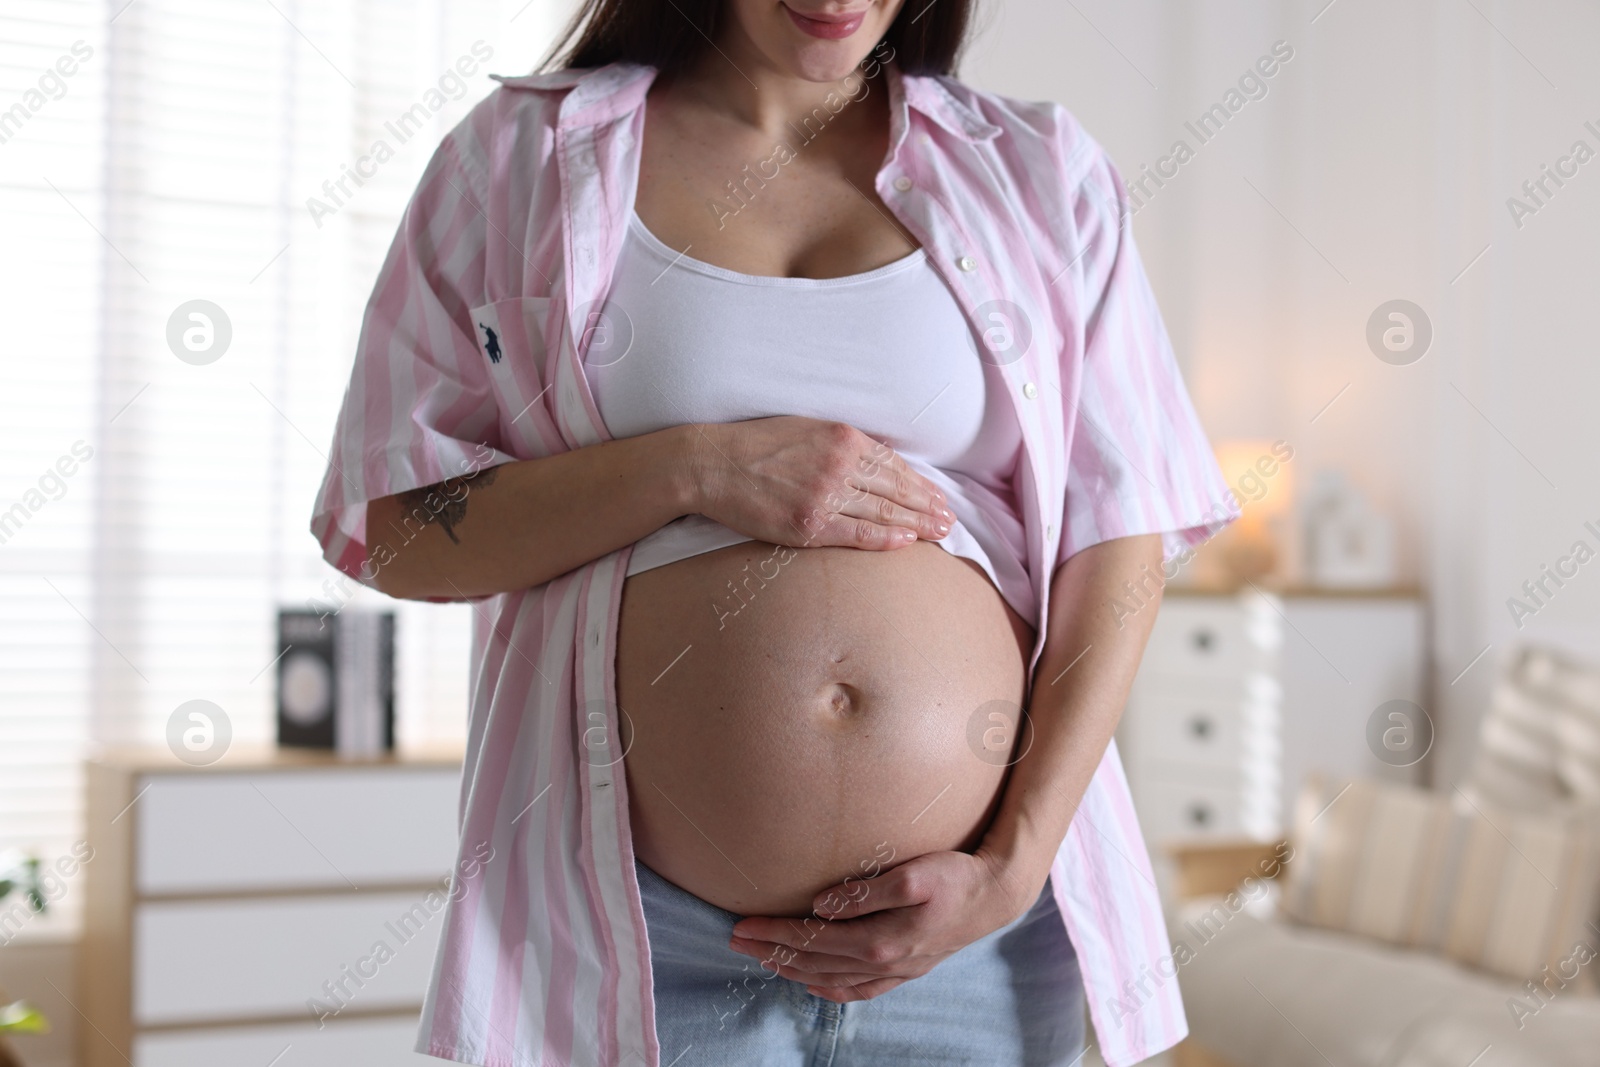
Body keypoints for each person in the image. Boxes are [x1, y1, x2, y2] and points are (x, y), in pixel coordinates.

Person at [309, 2, 1239, 1064]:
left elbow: (1119, 535)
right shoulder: (518, 159)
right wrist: (692, 467)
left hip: (965, 939)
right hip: (648, 948)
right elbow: (395, 529)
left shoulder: (1039, 170)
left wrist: (1012, 869)